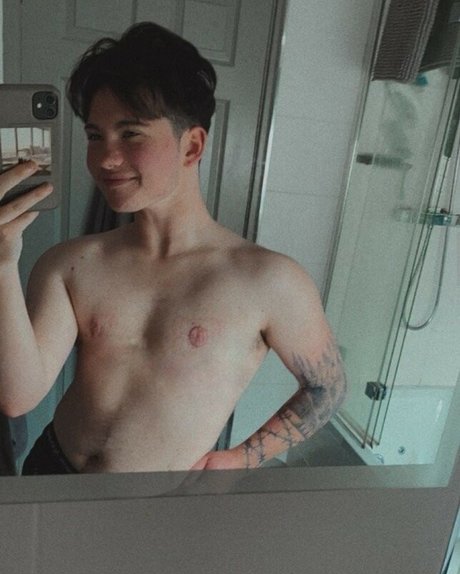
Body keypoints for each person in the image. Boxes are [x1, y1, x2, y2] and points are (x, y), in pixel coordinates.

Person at [0, 22, 346, 475]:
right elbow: (18, 397)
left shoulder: (270, 281)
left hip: (158, 497)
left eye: (131, 134)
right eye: (95, 135)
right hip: (52, 470)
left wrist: (241, 458)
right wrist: (3, 261)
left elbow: (326, 388)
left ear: (192, 146)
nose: (106, 158)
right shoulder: (69, 264)